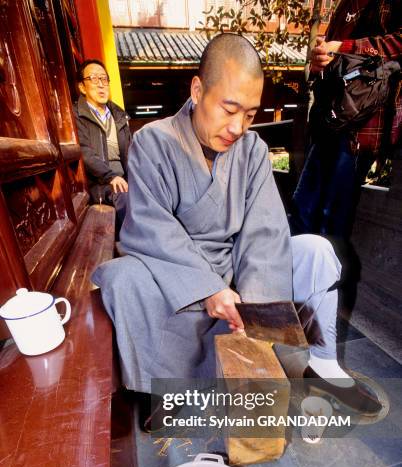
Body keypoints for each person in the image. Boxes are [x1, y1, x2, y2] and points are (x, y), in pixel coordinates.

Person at [93, 34, 382, 418]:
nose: (237, 127)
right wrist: (209, 287)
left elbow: (264, 232)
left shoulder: (253, 150)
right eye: (228, 109)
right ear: (198, 90)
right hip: (176, 272)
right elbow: (152, 227)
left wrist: (255, 311)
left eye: (249, 114)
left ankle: (323, 364)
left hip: (236, 265)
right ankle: (167, 391)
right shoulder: (153, 142)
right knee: (124, 278)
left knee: (315, 250)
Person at [291, 0, 402, 238]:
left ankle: (326, 274)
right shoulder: (345, 5)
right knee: (301, 212)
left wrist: (345, 47)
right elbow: (330, 55)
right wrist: (320, 58)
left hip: (362, 125)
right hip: (329, 119)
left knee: (330, 222)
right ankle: (293, 272)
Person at [73, 59, 131, 228]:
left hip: (125, 179)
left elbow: (132, 151)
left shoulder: (119, 115)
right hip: (101, 182)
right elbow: (84, 152)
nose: (101, 85)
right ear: (82, 87)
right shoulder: (76, 115)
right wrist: (110, 176)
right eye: (94, 79)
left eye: (104, 79)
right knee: (127, 201)